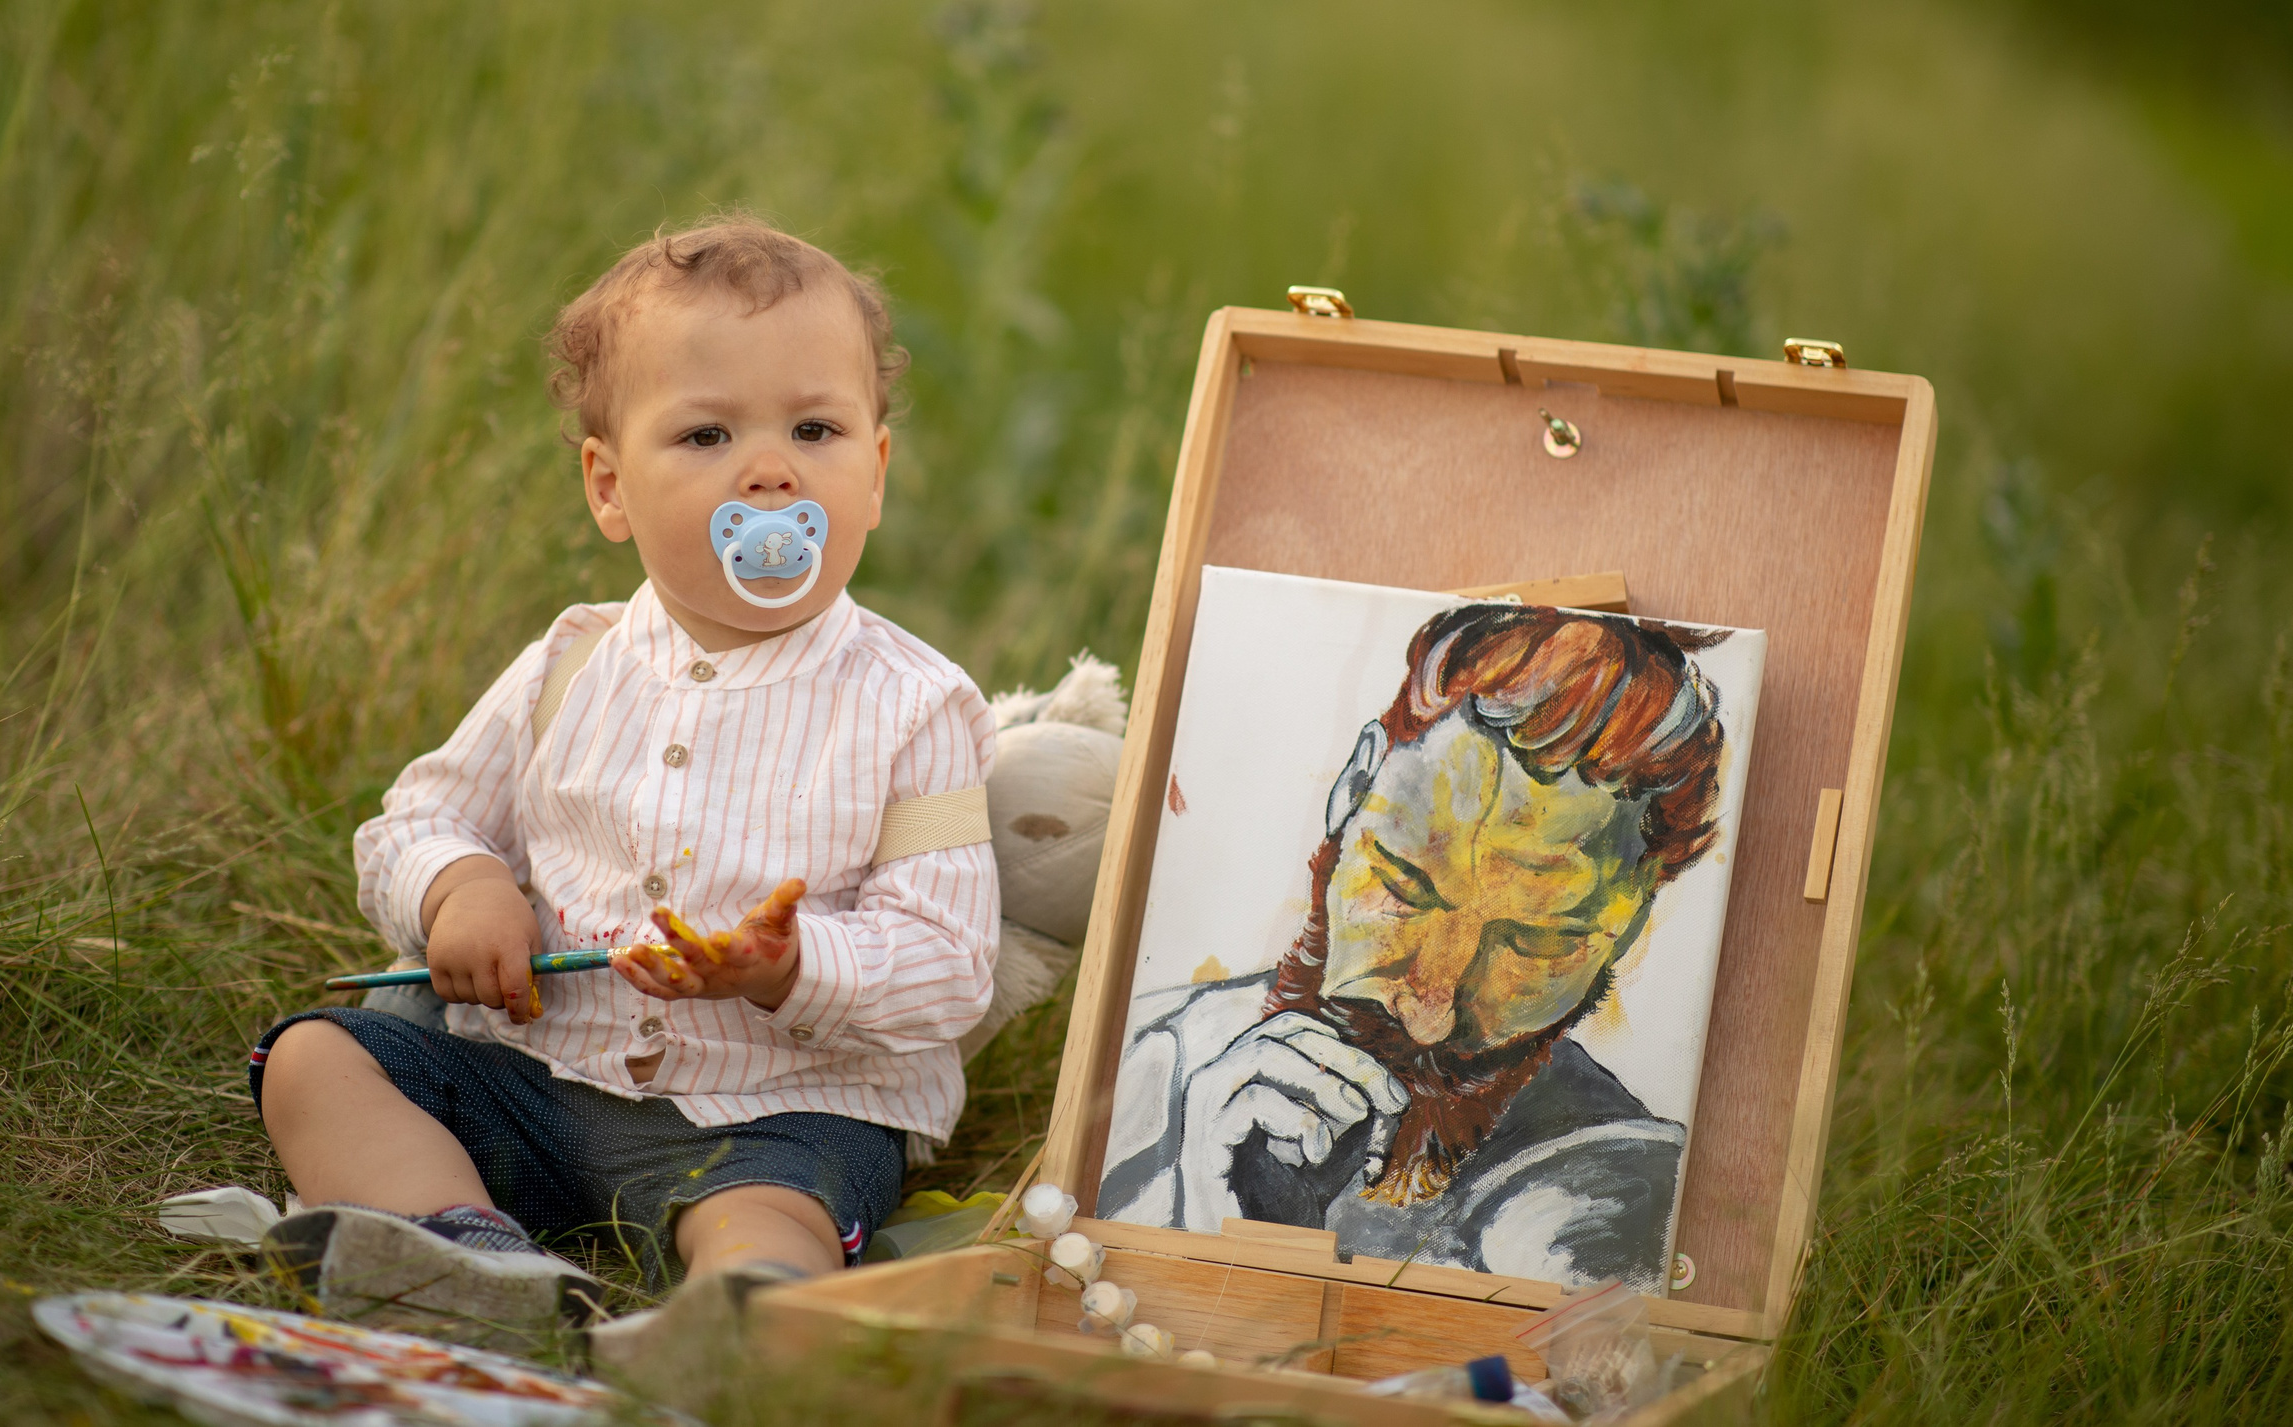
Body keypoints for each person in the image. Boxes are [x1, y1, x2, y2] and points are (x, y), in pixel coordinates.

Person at [248, 219, 998, 1334]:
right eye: (705, 434)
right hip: (541, 1076)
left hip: (776, 1108)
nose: (771, 471)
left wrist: (791, 967)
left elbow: (950, 965)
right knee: (314, 1060)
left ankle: (745, 1311)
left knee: (767, 1210)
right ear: (609, 487)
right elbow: (421, 815)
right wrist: (461, 889)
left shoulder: (916, 704)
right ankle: (457, 1244)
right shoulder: (573, 661)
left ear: (875, 473)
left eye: (815, 427)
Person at [1096, 606, 1726, 1292]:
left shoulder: (1608, 1193)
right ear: (1353, 785)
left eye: (1534, 942)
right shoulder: (1139, 1054)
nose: (1430, 1010)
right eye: (1405, 887)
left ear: (1629, 921)